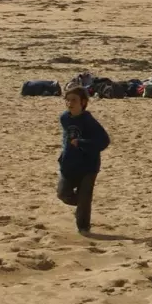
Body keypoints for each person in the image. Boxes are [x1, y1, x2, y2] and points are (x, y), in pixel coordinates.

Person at [57, 79, 110, 235]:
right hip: (69, 164)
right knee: (62, 194)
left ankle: (83, 228)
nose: (70, 103)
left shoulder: (89, 121)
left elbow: (104, 141)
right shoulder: (64, 118)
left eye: (74, 100)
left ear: (83, 102)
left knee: (85, 198)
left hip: (88, 166)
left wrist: (81, 143)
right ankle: (82, 203)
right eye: (67, 100)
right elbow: (67, 139)